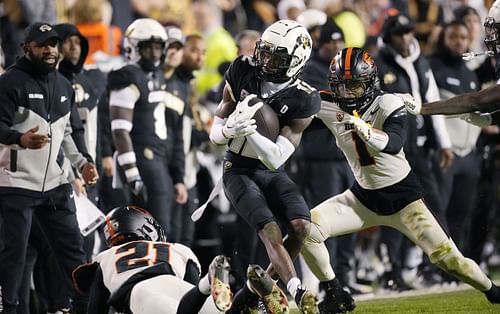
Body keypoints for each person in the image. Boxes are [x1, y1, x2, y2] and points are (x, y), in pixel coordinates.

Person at [300, 47, 500, 313]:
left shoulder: (388, 103)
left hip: (405, 200)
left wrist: (367, 131)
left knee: (452, 262)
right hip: (362, 198)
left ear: (370, 82)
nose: (347, 94)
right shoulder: (328, 103)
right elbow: (295, 111)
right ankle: (335, 292)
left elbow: (394, 144)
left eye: (355, 87)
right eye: (342, 87)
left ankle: (492, 290)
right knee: (306, 229)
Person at [208, 19, 320, 313]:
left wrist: (249, 133)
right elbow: (215, 132)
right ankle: (296, 291)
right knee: (269, 228)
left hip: (270, 169)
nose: (265, 59)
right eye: (265, 51)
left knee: (301, 226)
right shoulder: (243, 69)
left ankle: (256, 294)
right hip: (238, 169)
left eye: (276, 56)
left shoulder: (304, 98)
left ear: (295, 62)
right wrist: (230, 131)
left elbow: (275, 158)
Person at [0, 22, 99, 314]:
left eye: (53, 44)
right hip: (16, 183)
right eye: (42, 44)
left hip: (55, 185)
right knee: (14, 256)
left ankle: (84, 307)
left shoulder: (63, 84)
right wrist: (20, 139)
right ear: (25, 48)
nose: (50, 50)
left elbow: (68, 132)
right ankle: (10, 309)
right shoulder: (9, 83)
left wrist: (83, 163)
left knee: (73, 252)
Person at [72, 205, 232, 313]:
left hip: (141, 293)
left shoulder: (107, 257)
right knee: (222, 311)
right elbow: (190, 284)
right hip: (179, 288)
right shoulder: (177, 248)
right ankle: (247, 290)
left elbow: (96, 308)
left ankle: (205, 286)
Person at [108, 18, 186, 233]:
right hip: (143, 160)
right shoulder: (127, 76)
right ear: (133, 47)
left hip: (160, 160)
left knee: (165, 231)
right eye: (148, 47)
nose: (154, 53)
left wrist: (177, 174)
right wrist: (132, 173)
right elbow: (120, 130)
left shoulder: (156, 75)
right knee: (154, 231)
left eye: (158, 47)